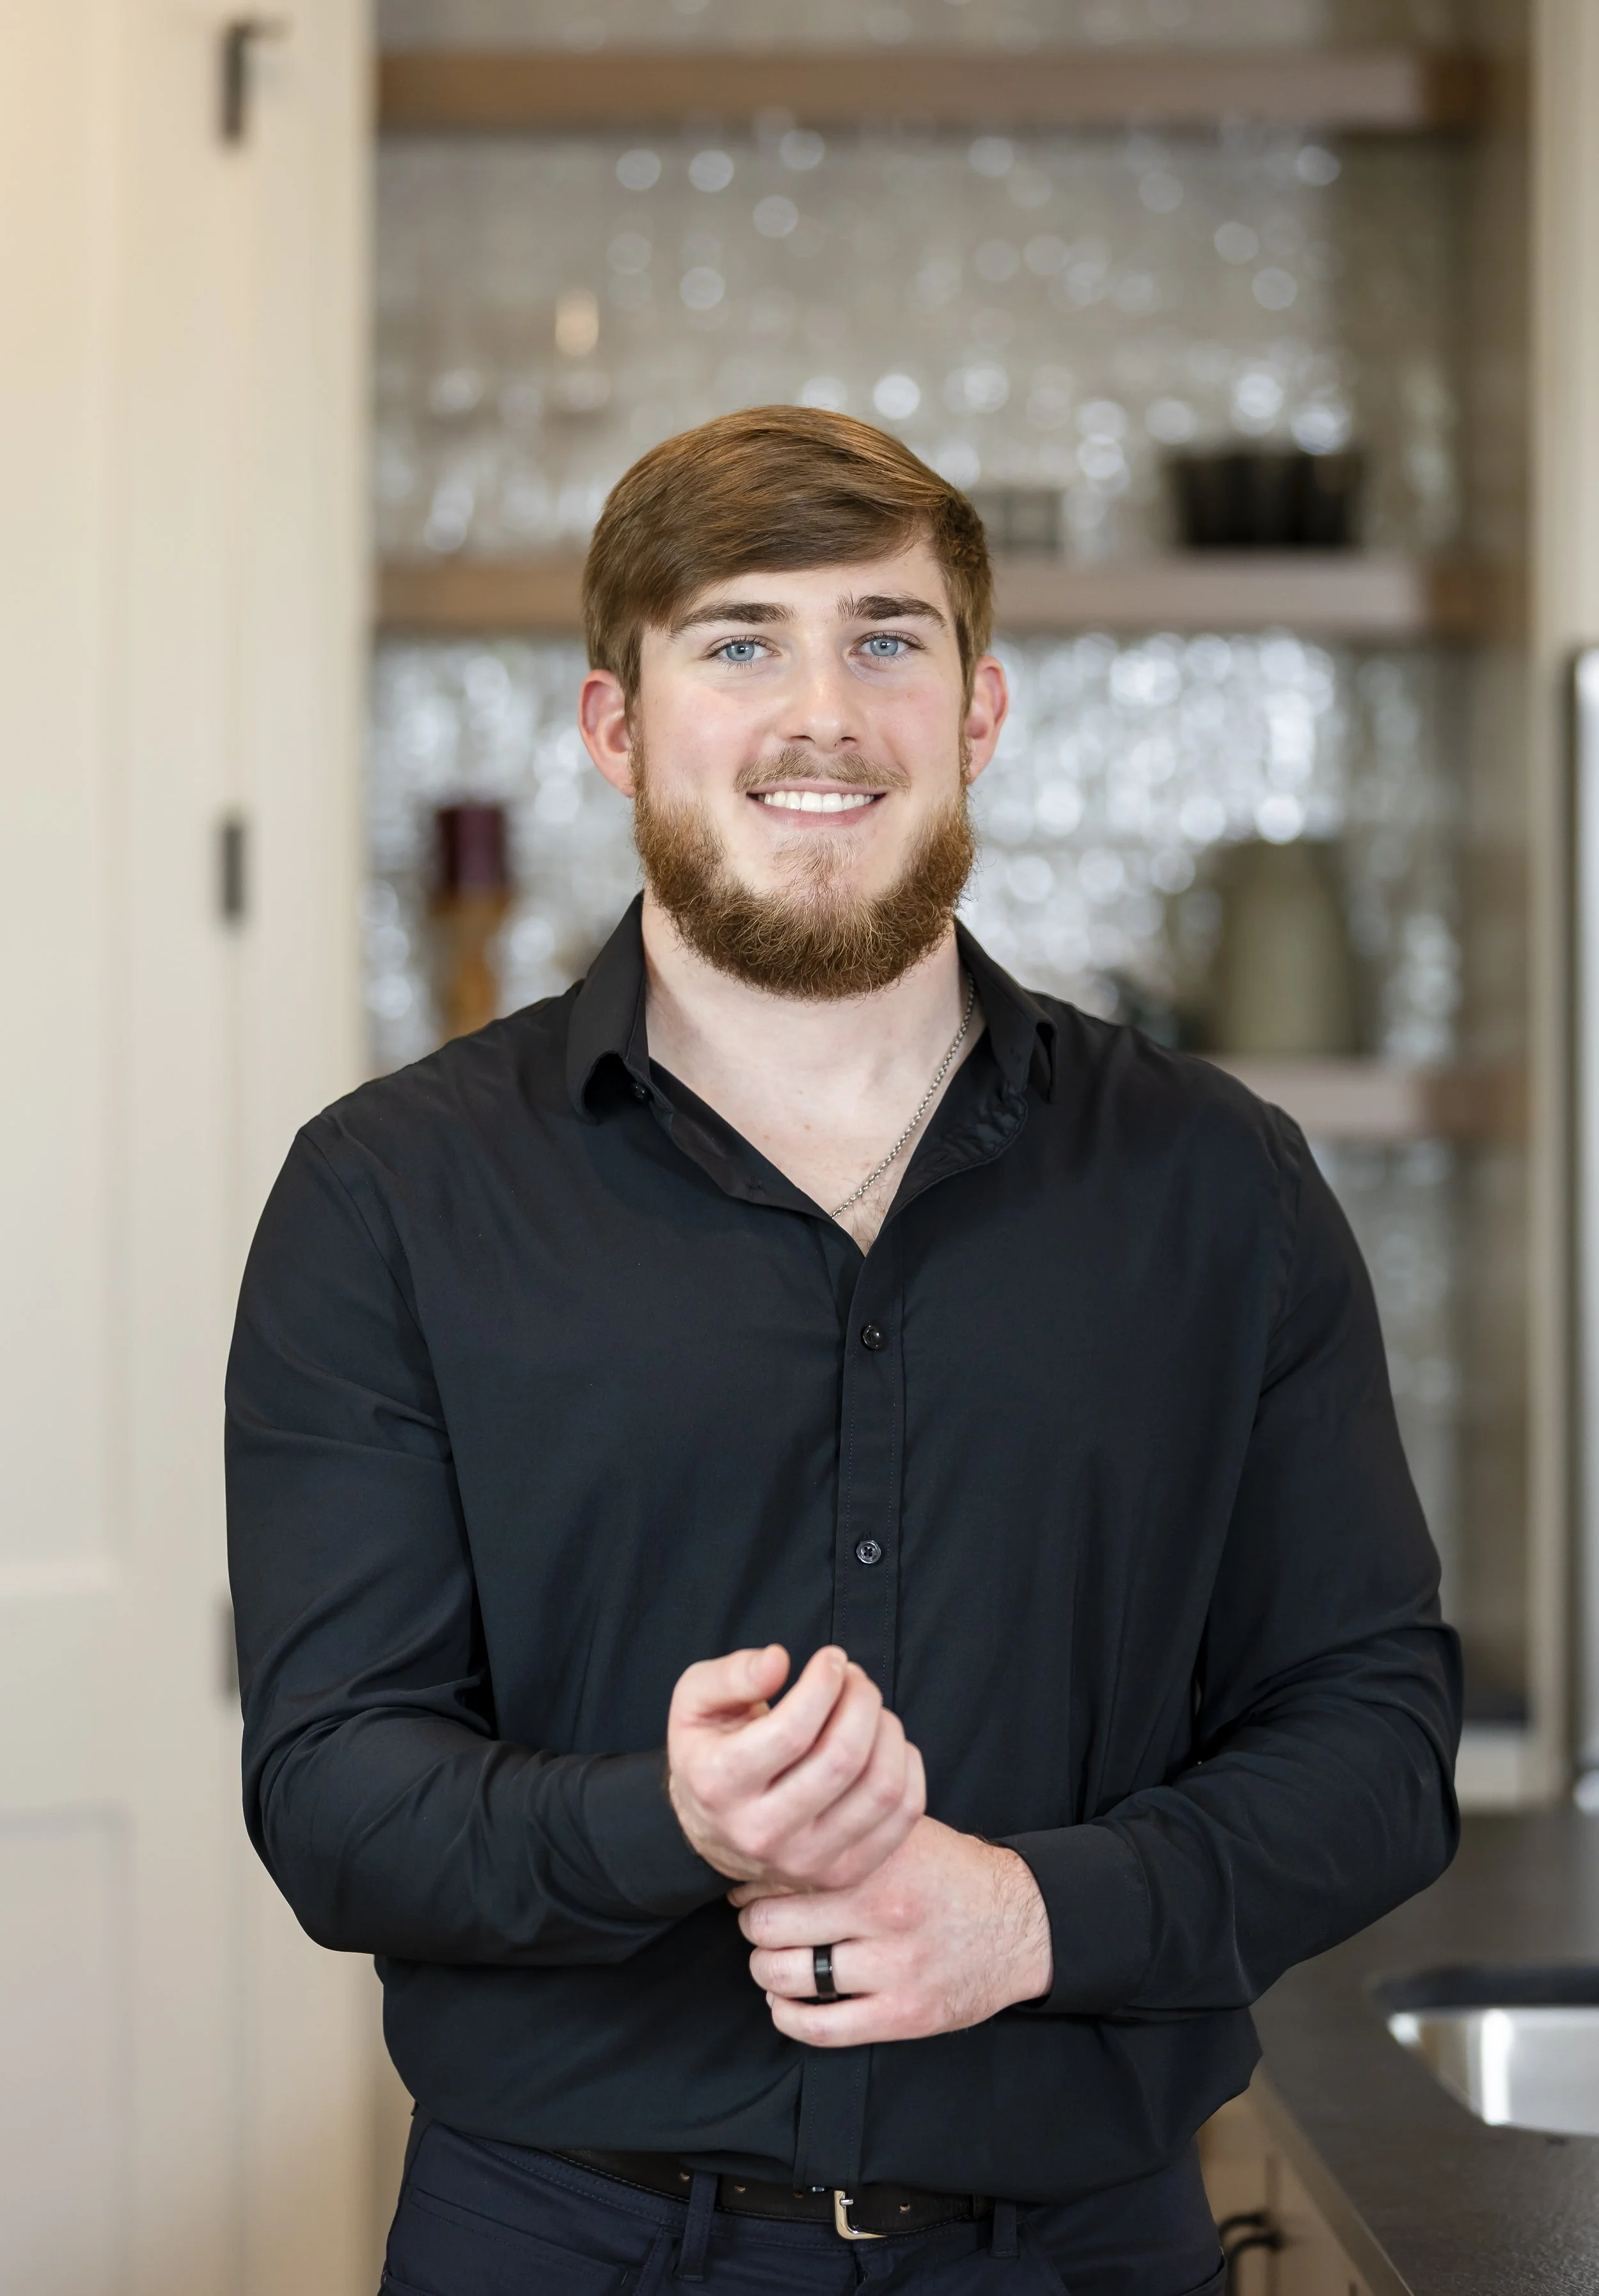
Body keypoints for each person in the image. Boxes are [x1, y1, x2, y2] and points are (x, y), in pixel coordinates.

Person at [226, 406, 1461, 2296]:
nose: (823, 711)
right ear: (613, 727)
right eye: (739, 640)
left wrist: (1030, 1916)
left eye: (886, 637)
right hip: (563, 2242)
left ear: (976, 714)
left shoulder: (1221, 1186)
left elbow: (1374, 1742)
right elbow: (329, 1792)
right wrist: (668, 1816)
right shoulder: (388, 1195)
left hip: (1085, 2249)